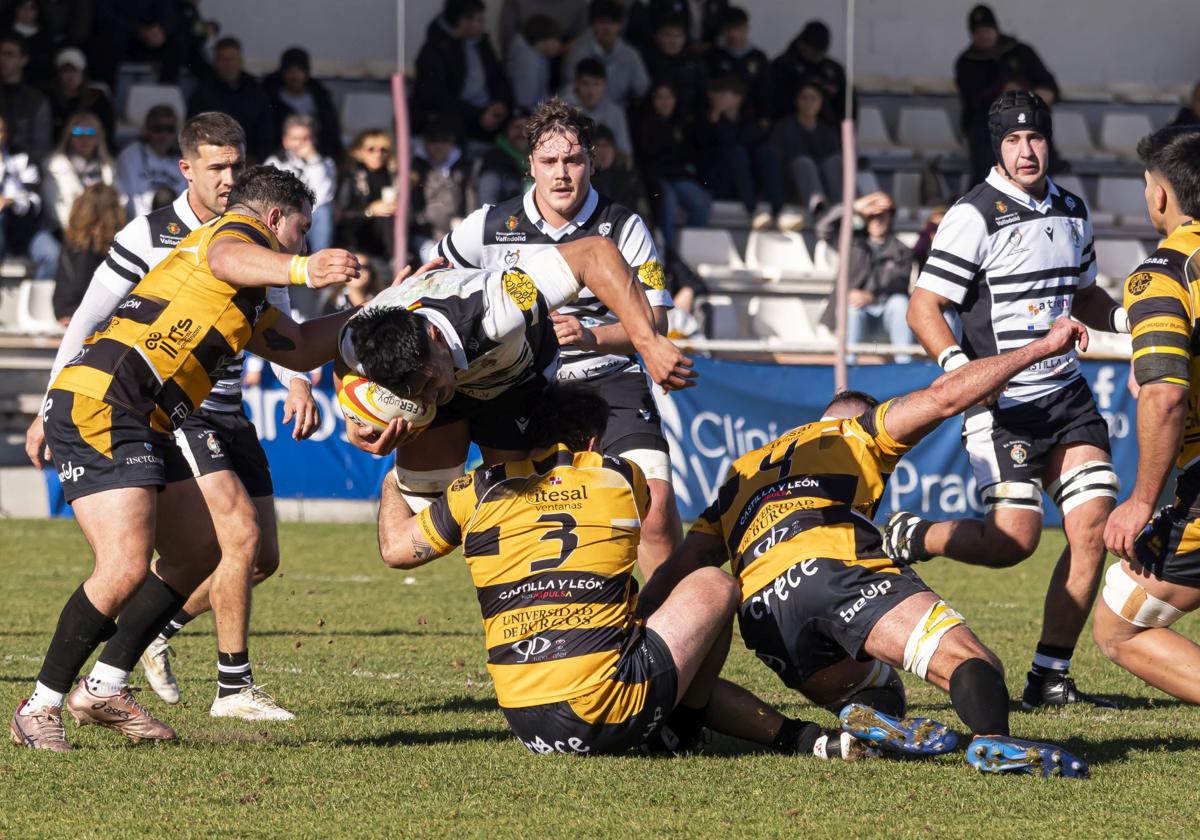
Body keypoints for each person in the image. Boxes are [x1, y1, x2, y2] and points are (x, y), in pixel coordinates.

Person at [378, 382, 938, 759]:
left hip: (528, 722)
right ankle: (684, 731)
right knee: (715, 585)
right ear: (592, 441)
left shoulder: (474, 490)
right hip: (605, 707)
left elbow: (396, 550)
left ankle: (812, 741)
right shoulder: (618, 477)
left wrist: (398, 475)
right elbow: (642, 510)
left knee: (647, 653)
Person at [640, 317, 1093, 777]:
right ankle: (994, 740)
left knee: (878, 687)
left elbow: (688, 561)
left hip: (765, 615)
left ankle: (865, 720)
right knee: (972, 662)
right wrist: (1040, 349)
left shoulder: (743, 472)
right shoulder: (860, 433)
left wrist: (636, 617)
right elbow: (945, 396)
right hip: (834, 568)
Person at [10, 165, 361, 752]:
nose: (305, 242)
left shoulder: (245, 298)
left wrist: (384, 309)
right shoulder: (229, 238)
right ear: (273, 220)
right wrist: (302, 267)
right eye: (302, 230)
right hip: (102, 398)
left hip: (146, 414)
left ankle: (104, 686)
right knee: (124, 566)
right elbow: (229, 257)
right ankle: (38, 706)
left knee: (200, 549)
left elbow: (299, 349)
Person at [885, 91, 1128, 710]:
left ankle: (1049, 675)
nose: (1027, 150)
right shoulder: (973, 215)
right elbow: (924, 306)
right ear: (996, 147)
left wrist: (1129, 318)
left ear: (1049, 141)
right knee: (1014, 542)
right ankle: (913, 534)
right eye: (1014, 140)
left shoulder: (1072, 210)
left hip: (1066, 398)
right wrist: (960, 372)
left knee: (1092, 527)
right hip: (1001, 408)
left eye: (1036, 138)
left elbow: (1083, 294)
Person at [341, 242, 694, 593]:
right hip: (453, 386)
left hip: (514, 388)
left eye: (428, 384)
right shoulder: (361, 339)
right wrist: (352, 419)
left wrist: (646, 341)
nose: (427, 397)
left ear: (433, 336)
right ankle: (403, 482)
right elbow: (339, 358)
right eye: (415, 393)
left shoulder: (498, 306)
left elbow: (595, 253)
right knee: (402, 552)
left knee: (521, 517)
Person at [435, 97, 685, 578]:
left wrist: (590, 338)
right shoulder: (489, 226)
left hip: (608, 377)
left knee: (653, 511)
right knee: (528, 517)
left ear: (593, 159)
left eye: (572, 160)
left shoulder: (624, 226)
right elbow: (437, 277)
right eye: (548, 162)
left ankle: (668, 632)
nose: (561, 174)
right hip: (522, 387)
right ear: (530, 165)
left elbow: (654, 324)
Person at [1096, 126, 1200, 705]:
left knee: (1119, 628)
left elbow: (1164, 395)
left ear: (1161, 195)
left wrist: (1140, 502)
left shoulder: (1161, 272)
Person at [955, 5, 1058, 185]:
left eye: (987, 29)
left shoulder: (1021, 52)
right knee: (987, 167)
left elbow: (1050, 87)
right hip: (985, 124)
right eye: (978, 31)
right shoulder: (967, 62)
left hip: (1027, 117)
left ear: (996, 29)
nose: (983, 35)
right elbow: (972, 101)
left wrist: (1031, 95)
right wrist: (1002, 94)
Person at [695, 75, 786, 231]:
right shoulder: (704, 120)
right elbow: (710, 146)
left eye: (722, 94)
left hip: (746, 180)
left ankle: (778, 208)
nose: (715, 98)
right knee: (737, 153)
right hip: (716, 180)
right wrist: (715, 121)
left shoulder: (748, 119)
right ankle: (752, 211)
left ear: (738, 99)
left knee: (766, 151)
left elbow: (751, 139)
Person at [413, 0, 512, 141]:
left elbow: (498, 78)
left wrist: (501, 103)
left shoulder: (482, 44)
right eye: (475, 19)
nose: (480, 24)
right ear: (461, 21)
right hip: (457, 119)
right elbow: (435, 96)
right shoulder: (435, 50)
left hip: (487, 112)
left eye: (480, 19)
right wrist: (478, 115)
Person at [632, 80, 710, 248]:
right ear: (652, 100)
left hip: (678, 176)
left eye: (668, 97)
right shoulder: (643, 123)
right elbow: (646, 158)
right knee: (668, 200)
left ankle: (690, 249)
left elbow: (692, 154)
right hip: (653, 179)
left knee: (701, 200)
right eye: (659, 97)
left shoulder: (682, 122)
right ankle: (666, 252)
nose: (664, 102)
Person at [844, 192, 915, 362]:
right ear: (864, 219)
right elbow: (825, 225)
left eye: (881, 215)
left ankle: (904, 364)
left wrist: (871, 296)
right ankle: (847, 365)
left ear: (890, 218)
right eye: (871, 216)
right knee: (852, 307)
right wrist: (859, 204)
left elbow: (900, 285)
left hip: (885, 312)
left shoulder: (902, 250)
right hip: (859, 310)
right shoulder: (851, 242)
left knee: (900, 302)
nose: (876, 221)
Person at [186, 37, 274, 160]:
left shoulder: (256, 91)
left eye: (233, 59)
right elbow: (194, 133)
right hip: (214, 160)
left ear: (241, 61)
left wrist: (256, 159)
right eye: (224, 59)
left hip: (251, 162)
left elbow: (266, 133)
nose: (229, 64)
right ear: (216, 63)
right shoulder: (202, 94)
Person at [51, 182, 123, 322]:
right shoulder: (92, 246)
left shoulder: (73, 239)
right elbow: (82, 286)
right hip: (77, 313)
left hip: (67, 308)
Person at [264, 114, 336, 254]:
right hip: (285, 214)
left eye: (306, 138)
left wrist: (313, 160)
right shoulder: (275, 162)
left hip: (314, 216)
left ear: (314, 140)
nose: (301, 143)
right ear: (285, 141)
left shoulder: (325, 164)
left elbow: (323, 197)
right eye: (295, 139)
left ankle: (320, 257)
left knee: (324, 211)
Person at [770, 81, 842, 216]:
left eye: (813, 99)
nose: (809, 103)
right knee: (804, 163)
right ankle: (818, 207)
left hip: (824, 180)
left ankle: (843, 206)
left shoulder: (828, 131)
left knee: (835, 161)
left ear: (821, 103)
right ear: (797, 101)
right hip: (792, 181)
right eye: (804, 98)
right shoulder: (784, 127)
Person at [41, 111, 116, 239]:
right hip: (63, 233)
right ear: (69, 137)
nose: (84, 139)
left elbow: (118, 204)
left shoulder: (110, 167)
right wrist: (82, 231)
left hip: (104, 235)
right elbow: (55, 212)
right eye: (77, 133)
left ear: (99, 138)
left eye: (90, 133)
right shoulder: (54, 166)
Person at [561, 1, 649, 109]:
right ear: (593, 25)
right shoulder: (578, 52)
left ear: (620, 25)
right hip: (582, 113)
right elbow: (570, 90)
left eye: (612, 23)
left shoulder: (630, 55)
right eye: (602, 22)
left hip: (618, 113)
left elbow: (642, 89)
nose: (607, 28)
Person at [263, 47, 343, 160]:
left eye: (299, 70)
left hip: (316, 156)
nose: (294, 76)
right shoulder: (270, 99)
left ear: (307, 72)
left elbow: (331, 131)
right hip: (283, 158)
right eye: (290, 71)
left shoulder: (320, 98)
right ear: (282, 73)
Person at [0, 112, 54, 276]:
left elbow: (35, 200)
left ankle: (37, 300)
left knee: (52, 254)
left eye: (0, 130)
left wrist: (11, 202)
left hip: (23, 229)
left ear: (7, 133)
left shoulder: (22, 158)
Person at [410, 119, 470, 262]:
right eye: (433, 140)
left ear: (452, 142)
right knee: (435, 261)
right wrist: (436, 231)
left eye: (444, 140)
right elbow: (414, 208)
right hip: (426, 233)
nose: (439, 145)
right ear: (425, 143)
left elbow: (471, 197)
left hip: (458, 231)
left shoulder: (464, 167)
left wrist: (465, 224)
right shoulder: (415, 168)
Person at [702, 7, 771, 130]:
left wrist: (764, 115)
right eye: (729, 29)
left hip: (751, 117)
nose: (733, 34)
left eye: (738, 29)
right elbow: (707, 85)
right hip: (720, 116)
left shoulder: (757, 57)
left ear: (746, 29)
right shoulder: (712, 55)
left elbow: (764, 89)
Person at [335, 129, 395, 265]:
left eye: (383, 150)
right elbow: (342, 213)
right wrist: (369, 210)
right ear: (359, 152)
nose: (378, 154)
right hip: (358, 234)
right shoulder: (350, 176)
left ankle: (395, 260)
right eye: (371, 149)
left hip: (388, 234)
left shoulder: (395, 175)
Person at [116, 104, 186, 218]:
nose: (164, 135)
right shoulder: (131, 156)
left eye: (169, 129)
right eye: (158, 129)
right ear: (147, 130)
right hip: (137, 224)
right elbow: (125, 199)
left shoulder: (182, 161)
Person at [771, 20, 847, 123]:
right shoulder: (783, 66)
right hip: (791, 128)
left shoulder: (834, 70)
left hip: (828, 130)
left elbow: (847, 106)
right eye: (813, 52)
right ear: (802, 44)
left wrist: (847, 135)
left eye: (820, 53)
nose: (817, 57)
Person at [640, 14, 708, 118]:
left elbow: (703, 92)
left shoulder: (694, 60)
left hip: (689, 118)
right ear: (657, 37)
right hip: (653, 118)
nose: (673, 41)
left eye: (678, 36)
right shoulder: (647, 61)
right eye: (668, 35)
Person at [44, 47, 114, 149]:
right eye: (65, 71)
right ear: (58, 74)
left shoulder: (98, 99)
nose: (70, 76)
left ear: (83, 73)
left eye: (75, 71)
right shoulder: (48, 100)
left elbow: (106, 133)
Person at [0, 31, 51, 158]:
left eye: (9, 55)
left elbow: (42, 147)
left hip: (25, 170)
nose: (2, 59)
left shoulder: (36, 100)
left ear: (23, 60)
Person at [566, 58, 631, 158]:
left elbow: (625, 155)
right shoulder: (564, 110)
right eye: (585, 84)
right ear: (576, 84)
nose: (591, 91)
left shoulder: (615, 113)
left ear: (605, 85)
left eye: (596, 84)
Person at [471, 109, 531, 208]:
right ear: (506, 131)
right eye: (517, 127)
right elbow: (488, 204)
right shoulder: (494, 159)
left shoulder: (543, 158)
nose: (523, 132)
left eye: (528, 127)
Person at [590, 125, 650, 221]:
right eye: (598, 146)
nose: (602, 151)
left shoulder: (629, 177)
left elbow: (643, 211)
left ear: (614, 149)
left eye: (606, 145)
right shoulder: (586, 180)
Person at [504, 14, 561, 113]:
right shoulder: (528, 63)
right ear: (544, 40)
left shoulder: (539, 54)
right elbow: (525, 103)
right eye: (557, 40)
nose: (559, 45)